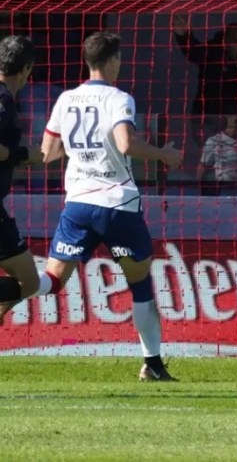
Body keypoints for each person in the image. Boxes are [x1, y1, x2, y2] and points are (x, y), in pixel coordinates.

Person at [41, 31, 181, 381]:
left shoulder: (66, 99)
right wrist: (163, 154)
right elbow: (125, 143)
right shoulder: (119, 98)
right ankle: (153, 364)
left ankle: (8, 292)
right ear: (113, 60)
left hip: (78, 203)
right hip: (117, 204)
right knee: (140, 282)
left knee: (51, 280)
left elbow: (48, 152)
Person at [0, 36, 53, 323]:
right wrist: (22, 154)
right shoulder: (3, 101)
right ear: (26, 69)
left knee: (28, 283)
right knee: (29, 283)